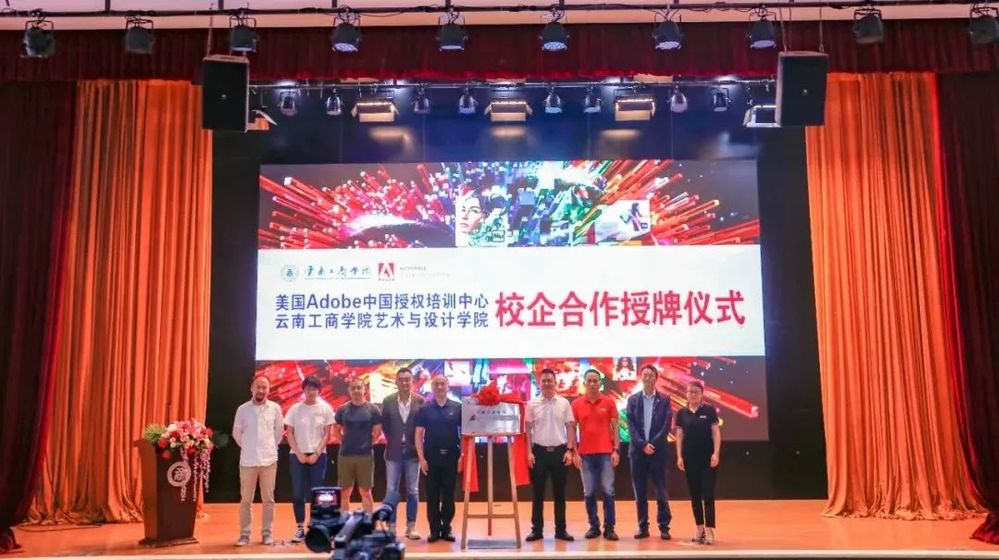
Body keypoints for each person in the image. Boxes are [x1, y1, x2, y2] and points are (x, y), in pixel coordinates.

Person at [232, 375, 284, 546]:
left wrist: (268, 447)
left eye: (264, 387)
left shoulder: (275, 408)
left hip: (269, 460)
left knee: (268, 500)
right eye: (258, 387)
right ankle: (244, 534)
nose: (261, 390)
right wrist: (249, 446)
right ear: (252, 388)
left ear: (269, 390)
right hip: (247, 461)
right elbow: (236, 433)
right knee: (246, 501)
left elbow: (278, 432)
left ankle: (267, 533)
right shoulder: (242, 409)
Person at [525, 368, 576, 542]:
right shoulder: (532, 404)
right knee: (537, 493)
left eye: (550, 380)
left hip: (560, 452)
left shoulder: (564, 403)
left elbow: (570, 427)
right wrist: (529, 452)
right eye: (544, 381)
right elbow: (528, 430)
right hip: (538, 453)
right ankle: (536, 530)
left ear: (555, 383)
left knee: (560, 494)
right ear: (539, 383)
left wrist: (569, 450)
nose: (547, 383)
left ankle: (561, 530)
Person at [284, 375, 335, 543]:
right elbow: (289, 433)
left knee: (317, 494)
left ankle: (316, 527)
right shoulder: (295, 409)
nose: (310, 391)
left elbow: (327, 434)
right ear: (303, 390)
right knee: (298, 493)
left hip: (318, 456)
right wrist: (299, 453)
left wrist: (316, 454)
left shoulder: (325, 408)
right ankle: (300, 528)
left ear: (319, 390)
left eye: (314, 388)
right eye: (308, 388)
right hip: (296, 456)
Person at [625, 365, 673, 540]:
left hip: (658, 452)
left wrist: (652, 444)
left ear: (656, 378)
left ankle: (664, 526)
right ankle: (643, 526)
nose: (647, 378)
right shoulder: (632, 400)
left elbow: (666, 425)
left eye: (650, 375)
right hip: (637, 453)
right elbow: (631, 425)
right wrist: (642, 445)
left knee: (661, 491)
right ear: (641, 377)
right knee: (640, 493)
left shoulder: (665, 400)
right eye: (644, 375)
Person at [571, 369, 620, 541]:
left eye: (595, 381)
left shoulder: (609, 402)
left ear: (600, 383)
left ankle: (609, 528)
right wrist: (574, 452)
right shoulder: (576, 404)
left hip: (606, 453)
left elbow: (615, 427)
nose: (592, 383)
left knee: (608, 491)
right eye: (589, 381)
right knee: (589, 491)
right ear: (584, 383)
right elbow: (572, 430)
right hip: (585, 454)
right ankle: (594, 526)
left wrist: (616, 449)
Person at [414, 375, 463, 543]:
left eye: (442, 384)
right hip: (431, 459)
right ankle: (434, 530)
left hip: (451, 458)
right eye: (436, 384)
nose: (440, 387)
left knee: (449, 495)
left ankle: (446, 528)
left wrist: (462, 456)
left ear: (448, 386)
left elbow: (464, 434)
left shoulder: (457, 407)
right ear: (432, 387)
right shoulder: (424, 409)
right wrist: (421, 458)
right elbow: (418, 435)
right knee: (432, 496)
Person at [675, 380, 721, 545]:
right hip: (689, 459)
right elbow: (679, 436)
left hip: (707, 460)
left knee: (708, 494)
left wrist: (716, 453)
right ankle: (699, 528)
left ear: (702, 394)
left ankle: (709, 529)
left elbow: (715, 433)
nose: (693, 394)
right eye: (690, 392)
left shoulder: (709, 410)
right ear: (686, 394)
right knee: (694, 495)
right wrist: (679, 456)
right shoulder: (681, 413)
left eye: (696, 392)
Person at [381, 367, 425, 540]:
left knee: (413, 490)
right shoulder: (388, 401)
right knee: (391, 489)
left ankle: (411, 526)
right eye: (401, 380)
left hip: (413, 452)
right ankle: (391, 527)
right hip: (393, 452)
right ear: (396, 382)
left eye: (408, 379)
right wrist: (395, 440)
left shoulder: (420, 401)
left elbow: (422, 427)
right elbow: (385, 426)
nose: (405, 383)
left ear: (412, 381)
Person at [334, 378, 383, 514]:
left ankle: (368, 522)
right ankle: (344, 521)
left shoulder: (373, 409)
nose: (356, 390)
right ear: (349, 390)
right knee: (344, 491)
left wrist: (368, 444)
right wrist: (345, 442)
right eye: (353, 388)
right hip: (345, 456)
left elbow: (377, 431)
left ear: (364, 389)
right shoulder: (342, 409)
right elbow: (336, 430)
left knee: (365, 491)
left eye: (359, 388)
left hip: (365, 456)